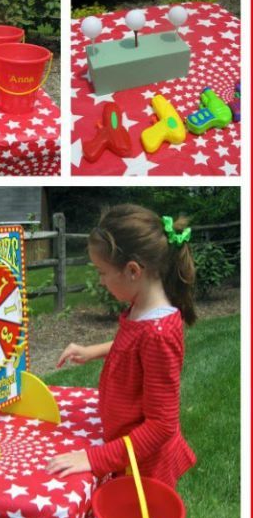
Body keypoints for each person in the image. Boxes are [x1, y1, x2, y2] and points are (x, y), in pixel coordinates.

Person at [47, 205, 196, 487]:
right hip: (127, 450)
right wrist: (95, 351)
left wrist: (94, 459)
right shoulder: (143, 309)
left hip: (144, 469)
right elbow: (132, 344)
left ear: (132, 271)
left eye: (102, 272)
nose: (101, 281)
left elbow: (161, 426)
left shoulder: (159, 334)